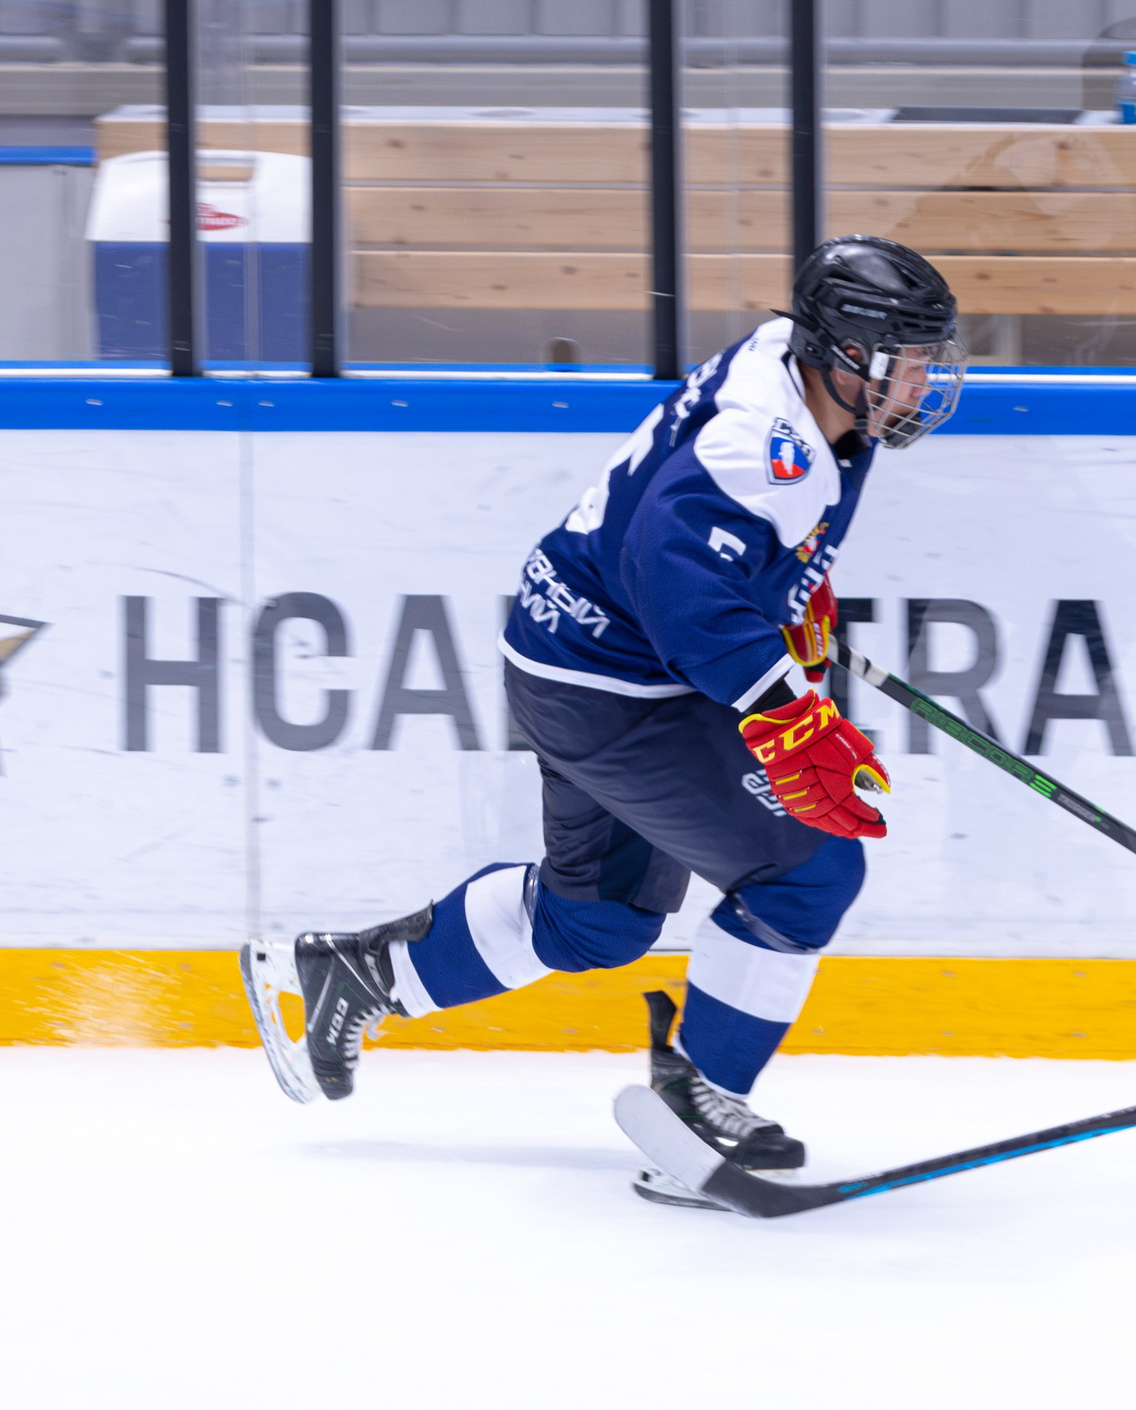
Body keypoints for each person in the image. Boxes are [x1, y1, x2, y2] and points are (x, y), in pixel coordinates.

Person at [241, 236, 967, 1211]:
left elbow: (726, 545)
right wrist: (786, 711)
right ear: (845, 351)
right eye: (908, 357)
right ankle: (696, 1105)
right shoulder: (762, 442)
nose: (924, 377)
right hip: (621, 689)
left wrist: (793, 595)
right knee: (810, 869)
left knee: (599, 922)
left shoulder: (812, 388)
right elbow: (676, 588)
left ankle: (361, 975)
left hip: (573, 660)